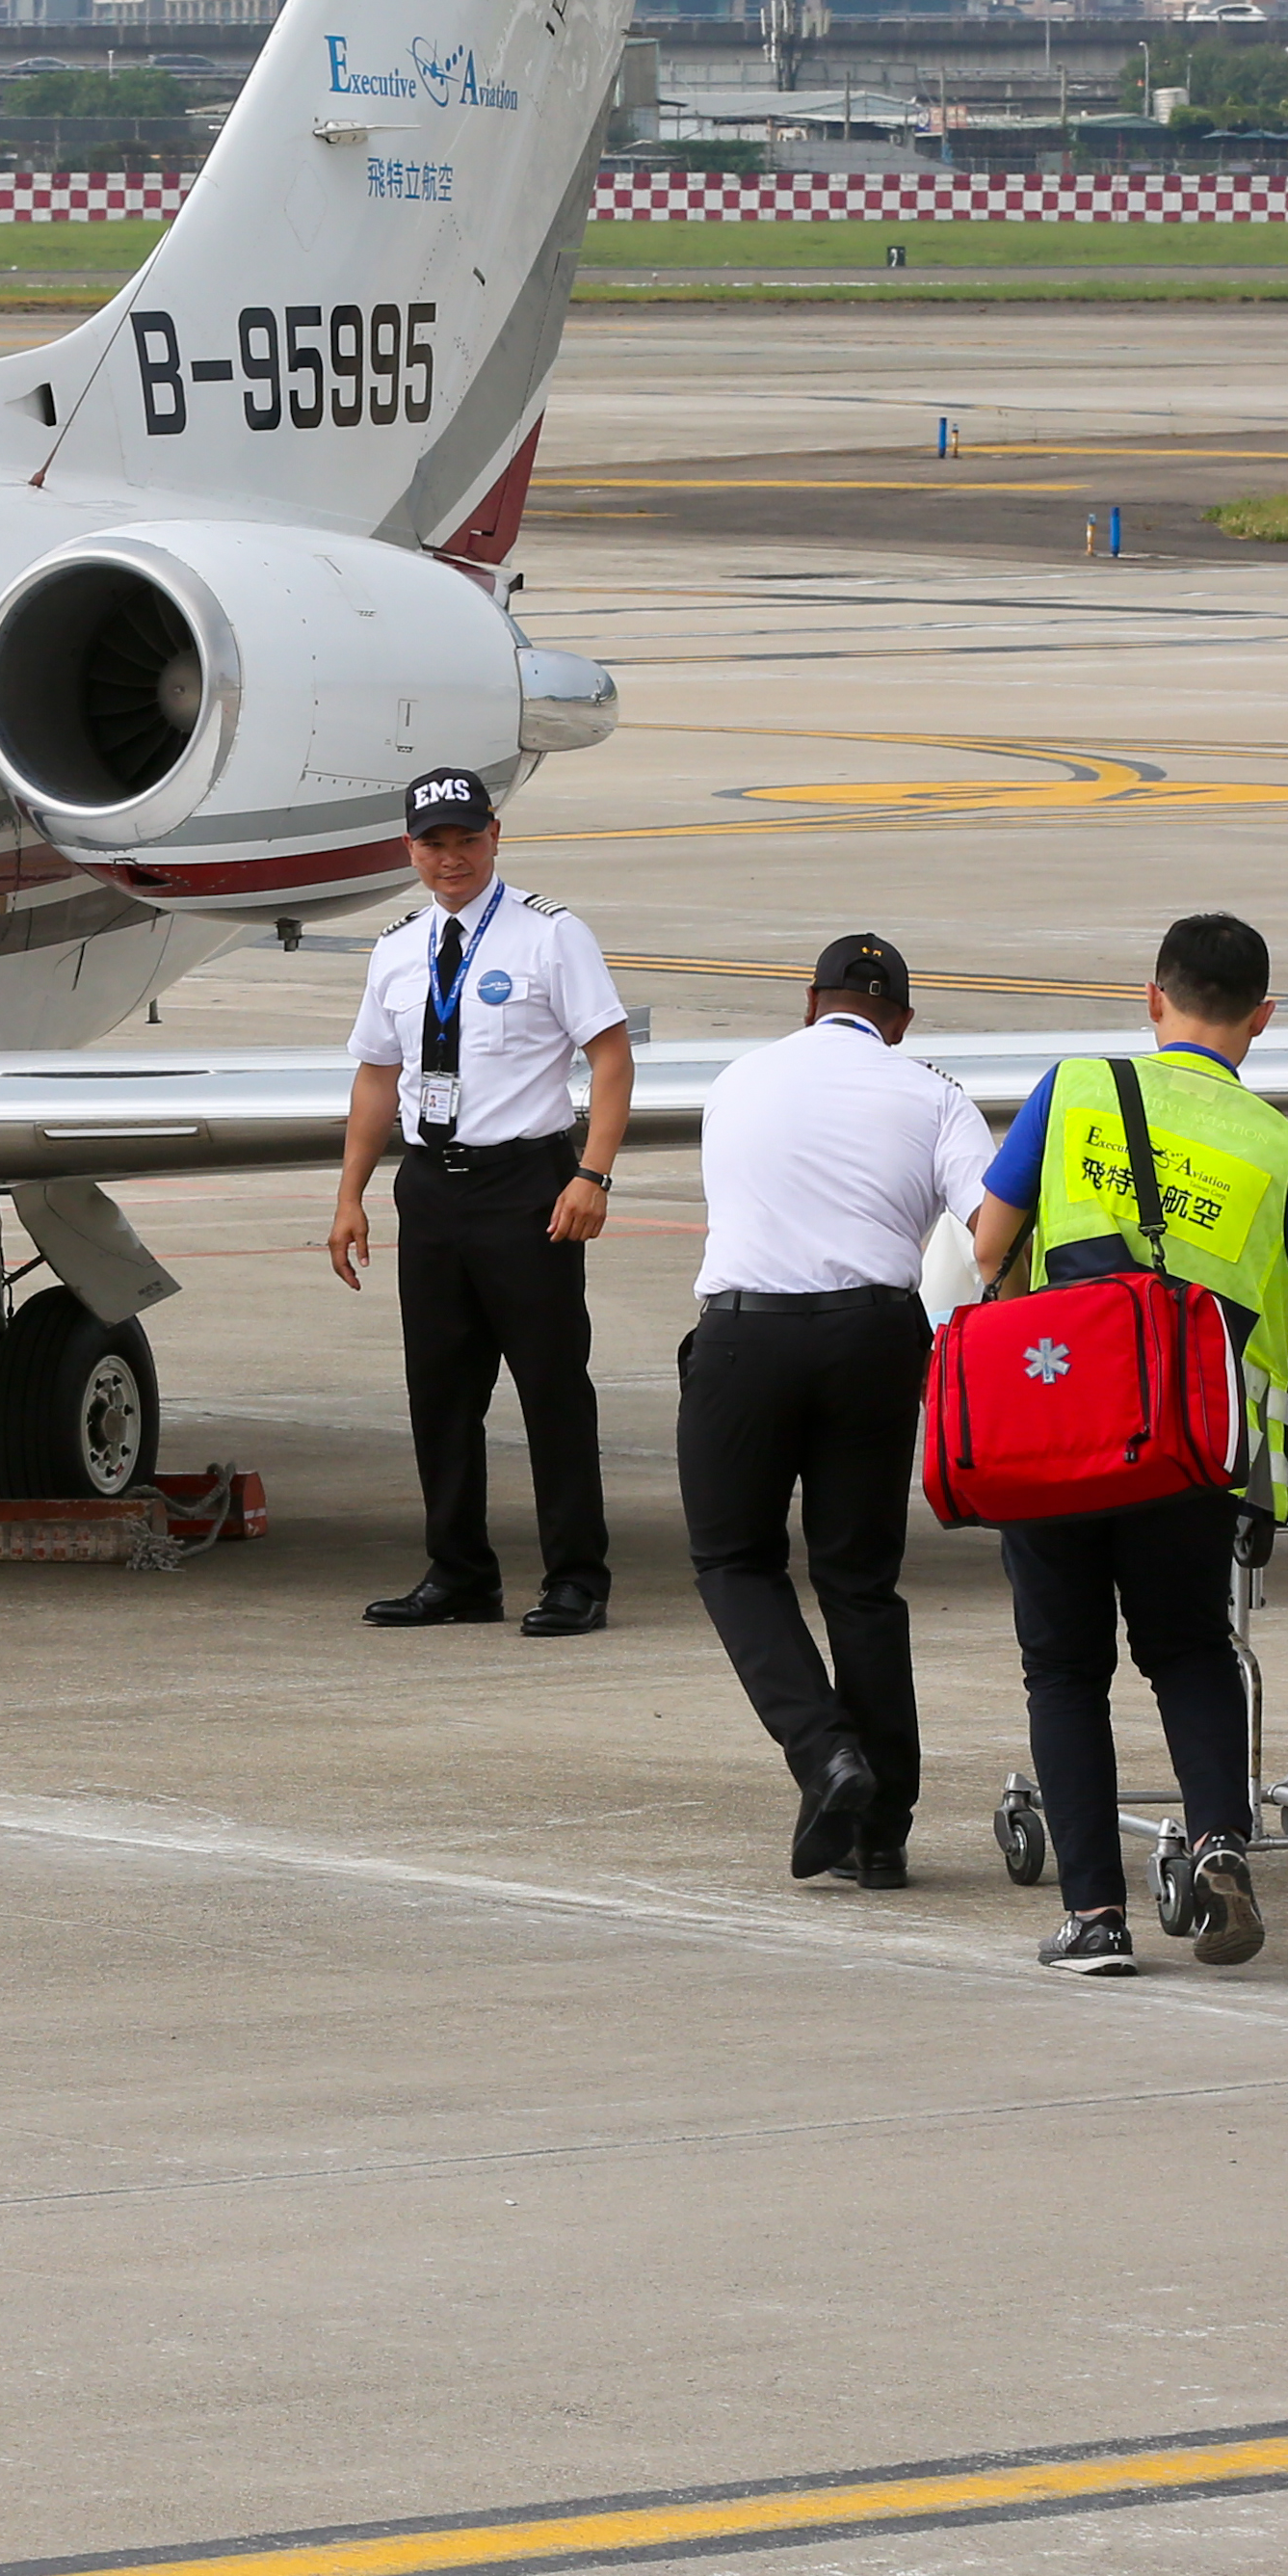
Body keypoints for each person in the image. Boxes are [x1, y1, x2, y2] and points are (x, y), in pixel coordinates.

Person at [960, 911, 1288, 1978]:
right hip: (1194, 1441)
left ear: (1153, 1000)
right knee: (1188, 1645)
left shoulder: (1073, 1088)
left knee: (1061, 1669)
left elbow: (988, 1241)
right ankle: (1219, 1841)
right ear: (1262, 1018)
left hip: (1060, 1425)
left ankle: (1095, 1918)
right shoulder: (1284, 1150)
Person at [676, 933, 993, 1887]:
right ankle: (881, 1832)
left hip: (744, 1334)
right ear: (895, 1019)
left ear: (808, 1001)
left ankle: (823, 1752)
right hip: (871, 1336)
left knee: (733, 1558)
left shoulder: (737, 1077)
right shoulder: (933, 1092)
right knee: (859, 1582)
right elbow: (990, 1231)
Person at [326, 770, 635, 1636]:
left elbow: (609, 1059)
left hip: (525, 1187)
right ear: (409, 850)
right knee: (439, 1391)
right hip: (429, 1188)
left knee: (549, 1387)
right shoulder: (396, 948)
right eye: (433, 843)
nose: (450, 858)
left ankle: (576, 1576)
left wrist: (592, 1174)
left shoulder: (549, 937)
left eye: (465, 840)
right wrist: (350, 1194)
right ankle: (458, 1572)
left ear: (494, 837)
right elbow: (376, 1073)